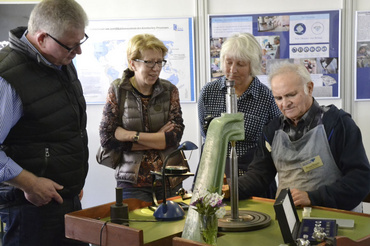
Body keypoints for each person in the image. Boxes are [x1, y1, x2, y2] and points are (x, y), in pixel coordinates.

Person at [0, 0, 89, 245]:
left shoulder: (61, 63)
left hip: (66, 203)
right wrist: (30, 183)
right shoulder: (7, 78)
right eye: (71, 46)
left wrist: (74, 181)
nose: (78, 52)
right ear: (41, 39)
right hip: (29, 211)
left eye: (81, 42)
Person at [235, 63, 370, 211]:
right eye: (278, 98)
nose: (285, 104)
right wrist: (229, 190)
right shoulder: (272, 130)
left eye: (291, 95)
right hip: (288, 215)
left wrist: (313, 198)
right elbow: (259, 175)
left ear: (309, 88)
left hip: (334, 215)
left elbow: (361, 179)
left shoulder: (337, 124)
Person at [99, 33, 185, 202]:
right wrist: (157, 138)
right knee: (135, 228)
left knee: (174, 227)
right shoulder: (118, 90)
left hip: (169, 178)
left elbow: (173, 138)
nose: (156, 68)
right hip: (132, 182)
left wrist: (131, 135)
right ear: (133, 64)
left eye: (160, 61)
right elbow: (107, 139)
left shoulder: (170, 90)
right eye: (150, 62)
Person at [198, 32, 281, 199]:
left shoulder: (268, 97)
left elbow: (276, 141)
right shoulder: (209, 92)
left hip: (254, 176)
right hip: (215, 171)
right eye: (228, 62)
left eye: (241, 64)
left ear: (253, 65)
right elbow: (205, 132)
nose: (232, 70)